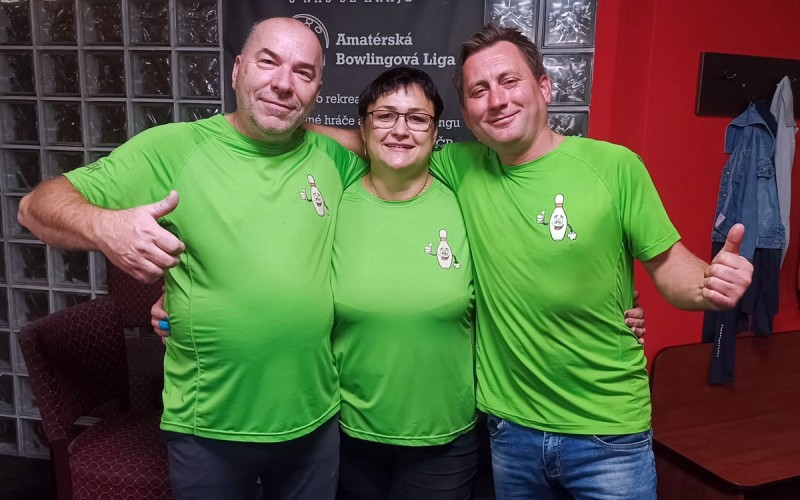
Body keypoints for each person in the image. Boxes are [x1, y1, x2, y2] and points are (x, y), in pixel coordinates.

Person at [152, 66, 649, 498]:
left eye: (417, 119)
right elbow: (273, 258)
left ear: (437, 132)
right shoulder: (335, 193)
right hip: (348, 431)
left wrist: (607, 310)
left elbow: (527, 262)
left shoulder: (464, 188)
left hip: (446, 437)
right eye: (385, 116)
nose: (401, 130)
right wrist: (178, 295)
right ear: (362, 128)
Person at [307, 26, 753, 499]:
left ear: (544, 87)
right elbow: (384, 141)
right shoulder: (460, 167)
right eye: (479, 90)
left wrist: (708, 284)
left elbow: (670, 266)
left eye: (509, 81)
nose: (497, 100)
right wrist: (281, 120)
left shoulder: (614, 166)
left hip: (607, 430)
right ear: (467, 113)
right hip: (510, 429)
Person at [17, 17, 365, 500]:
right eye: (268, 62)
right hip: (209, 423)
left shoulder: (335, 157)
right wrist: (105, 227)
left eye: (303, 73)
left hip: (315, 418)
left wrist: (304, 122)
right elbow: (35, 206)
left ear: (318, 89)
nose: (284, 83)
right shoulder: (174, 148)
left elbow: (391, 141)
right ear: (237, 70)